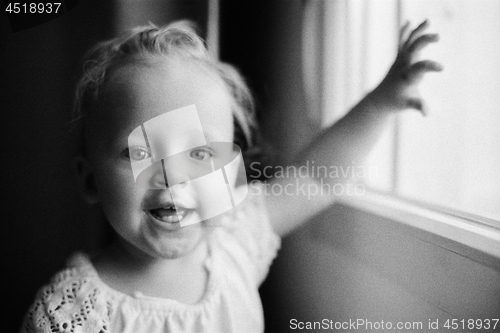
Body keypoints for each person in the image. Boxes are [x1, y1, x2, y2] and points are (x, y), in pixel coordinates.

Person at [20, 19, 442, 333]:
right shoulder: (70, 314)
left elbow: (317, 178)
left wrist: (382, 102)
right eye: (140, 151)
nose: (174, 177)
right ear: (90, 180)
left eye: (201, 153)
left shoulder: (236, 237)